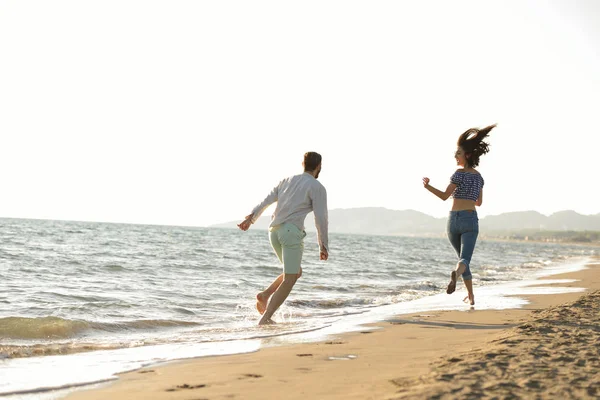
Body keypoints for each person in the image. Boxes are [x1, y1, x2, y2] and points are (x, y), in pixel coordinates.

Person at [238, 152, 329, 325]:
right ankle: (265, 318)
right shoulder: (317, 187)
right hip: (290, 233)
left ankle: (265, 295)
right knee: (290, 278)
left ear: (303, 163)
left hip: (273, 232)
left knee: (295, 273)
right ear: (319, 166)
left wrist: (250, 219)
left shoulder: (286, 181)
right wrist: (323, 245)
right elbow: (321, 217)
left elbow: (266, 201)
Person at [422, 124, 496, 306]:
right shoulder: (479, 178)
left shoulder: (458, 174)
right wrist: (470, 195)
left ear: (467, 155)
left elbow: (444, 196)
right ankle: (458, 275)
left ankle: (470, 296)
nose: (455, 156)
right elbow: (479, 203)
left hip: (453, 221)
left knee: (463, 261)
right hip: (470, 219)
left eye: (458, 153)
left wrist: (427, 186)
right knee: (464, 260)